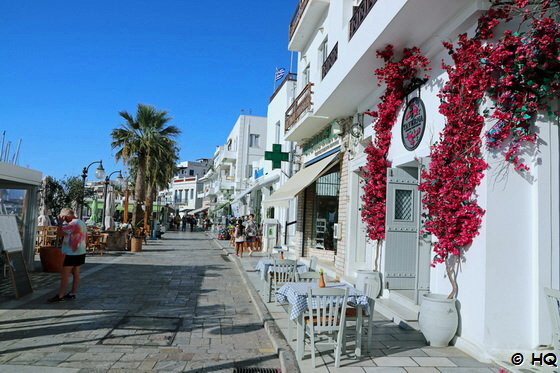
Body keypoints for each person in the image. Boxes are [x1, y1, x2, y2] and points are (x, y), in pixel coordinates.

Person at [48, 208, 87, 303]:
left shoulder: (73, 224)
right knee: (76, 273)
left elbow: (60, 233)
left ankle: (60, 295)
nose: (63, 219)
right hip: (81, 251)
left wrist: (60, 223)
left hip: (72, 253)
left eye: (63, 217)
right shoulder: (81, 222)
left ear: (66, 216)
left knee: (65, 274)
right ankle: (73, 293)